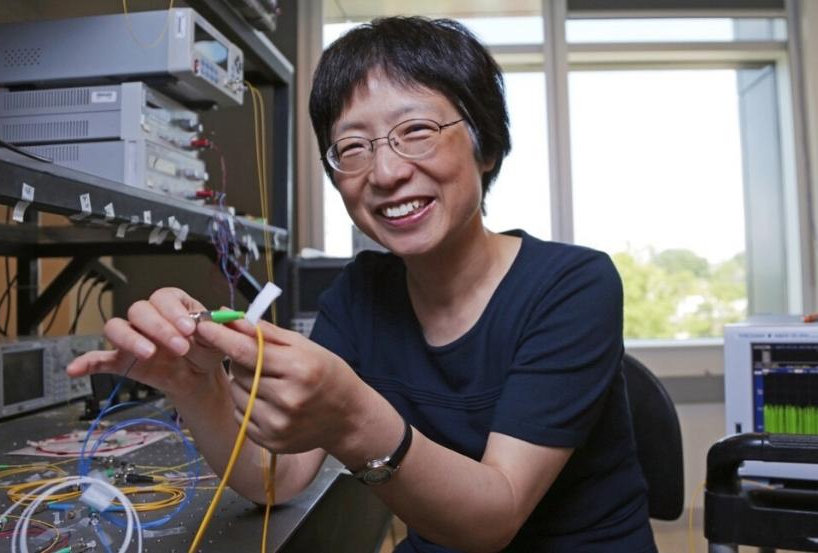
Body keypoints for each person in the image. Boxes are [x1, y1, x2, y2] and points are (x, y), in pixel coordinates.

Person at [68, 16, 657, 552]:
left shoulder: (574, 284)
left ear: (486, 143)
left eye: (417, 130)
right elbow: (278, 478)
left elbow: (493, 519)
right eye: (352, 147)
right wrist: (196, 388)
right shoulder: (361, 293)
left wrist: (351, 416)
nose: (385, 172)